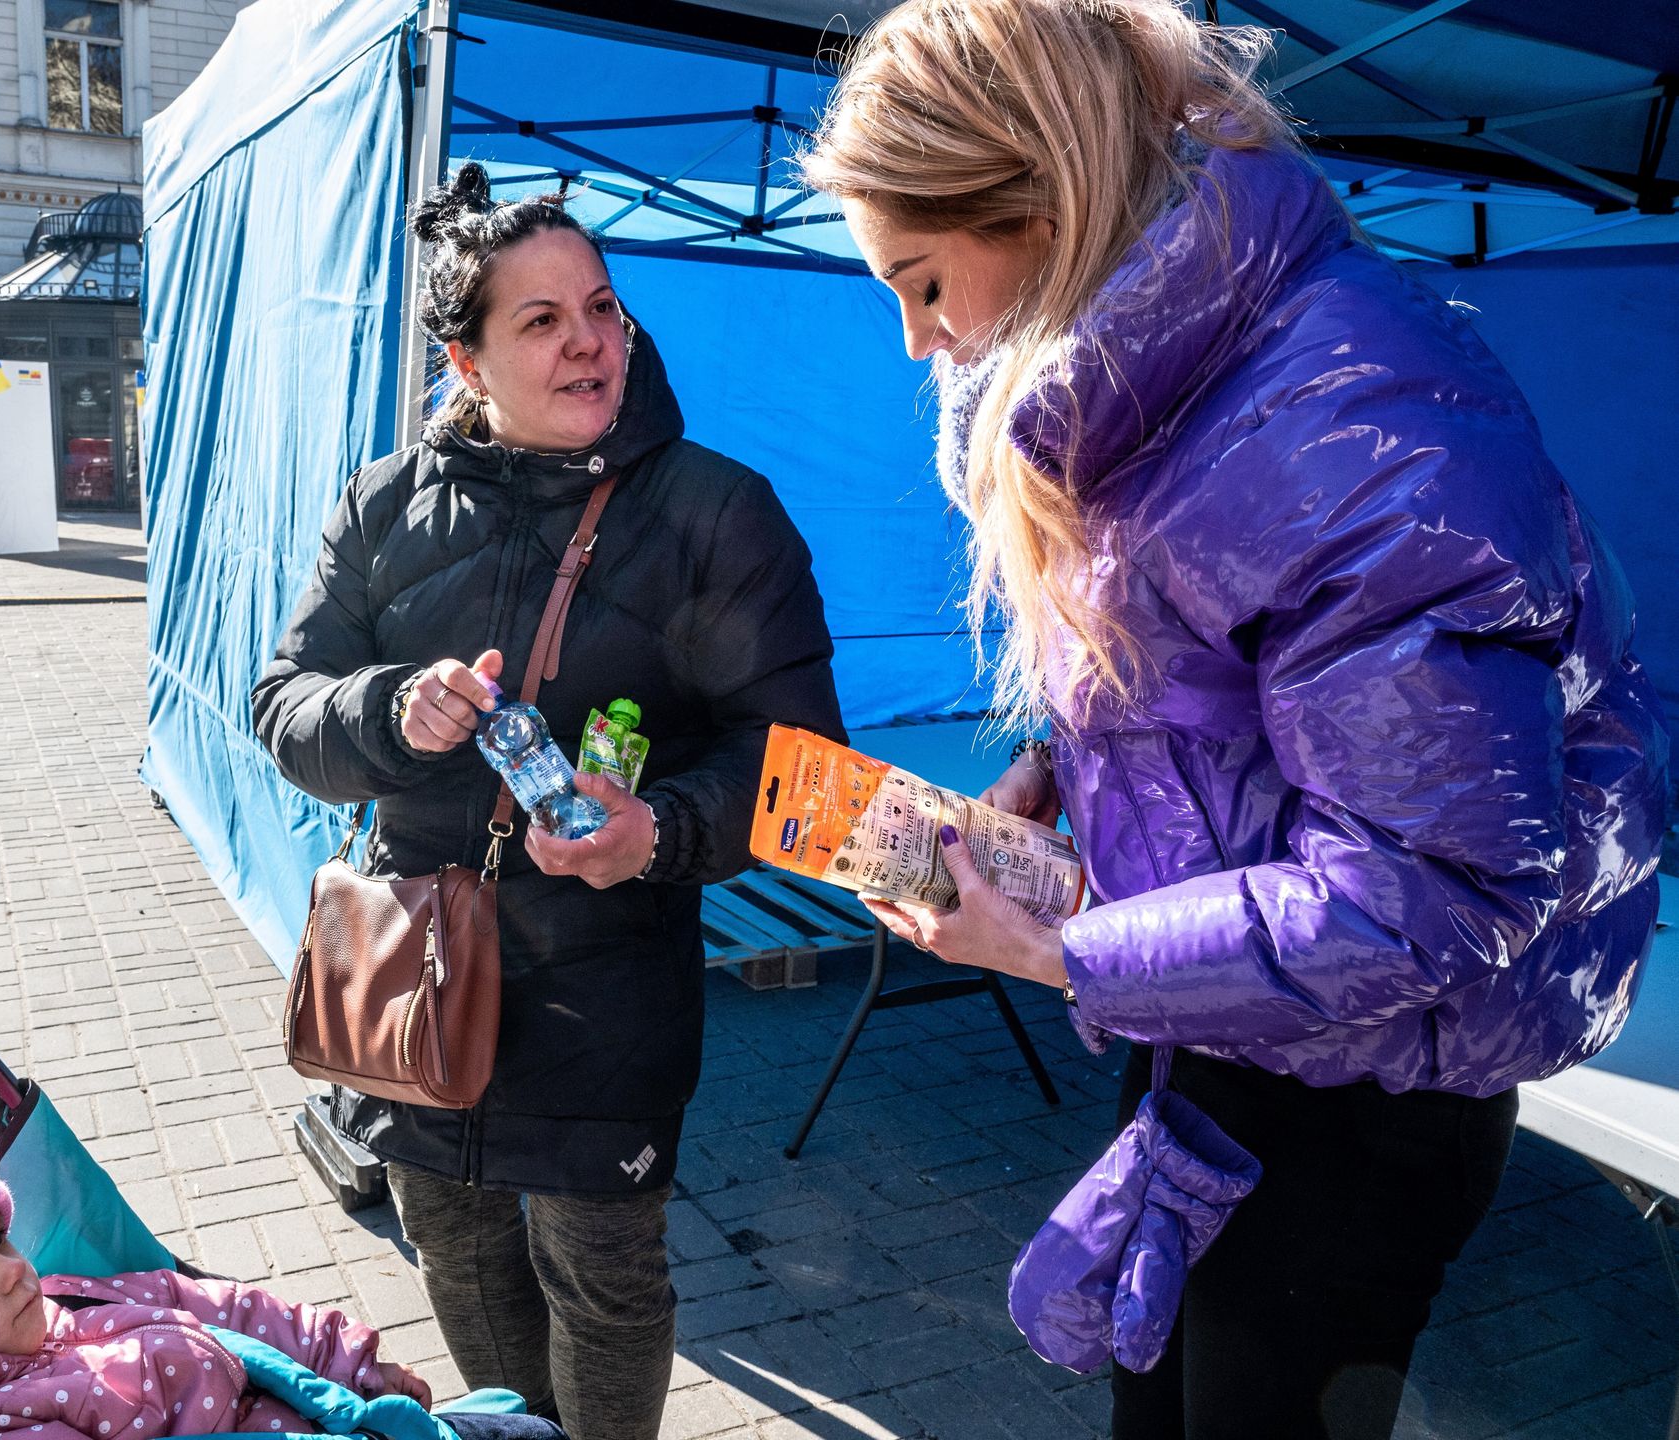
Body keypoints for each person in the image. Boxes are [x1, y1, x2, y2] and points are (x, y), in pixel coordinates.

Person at [799, 2, 1668, 1437]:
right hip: (1232, 1042)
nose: (916, 340)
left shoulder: (1351, 422)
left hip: (1364, 1098)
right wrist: (1063, 781)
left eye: (923, 280)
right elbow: (1230, 705)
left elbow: (1436, 888)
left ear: (1043, 202)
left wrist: (1058, 945)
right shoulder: (1178, 382)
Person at [252, 164, 845, 1440]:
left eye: (602, 307)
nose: (589, 339)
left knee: (605, 1278)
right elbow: (283, 705)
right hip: (411, 960)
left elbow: (800, 765)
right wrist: (384, 710)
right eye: (541, 319)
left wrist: (659, 831)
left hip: (603, 977)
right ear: (465, 362)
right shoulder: (382, 504)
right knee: (453, 1242)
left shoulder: (716, 513)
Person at [0, 1098, 557, 1440]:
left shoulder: (67, 1300)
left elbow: (218, 1302)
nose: (13, 1273)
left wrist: (356, 1360)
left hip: (325, 1406)